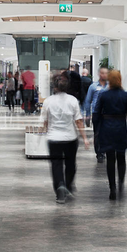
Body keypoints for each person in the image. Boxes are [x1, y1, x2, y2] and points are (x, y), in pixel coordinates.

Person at [93, 70, 127, 200]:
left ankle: (112, 187)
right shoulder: (125, 95)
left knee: (110, 159)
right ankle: (121, 183)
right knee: (121, 157)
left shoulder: (103, 95)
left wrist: (97, 129)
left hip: (107, 127)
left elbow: (96, 112)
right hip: (120, 127)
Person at [43, 75, 88, 204]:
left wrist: (47, 131)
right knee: (70, 163)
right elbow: (78, 122)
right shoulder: (73, 101)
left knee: (56, 165)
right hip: (70, 138)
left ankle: (59, 188)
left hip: (53, 138)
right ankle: (68, 185)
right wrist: (85, 138)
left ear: (54, 86)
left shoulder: (48, 101)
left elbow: (45, 122)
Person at [84, 67, 109, 163]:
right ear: (99, 74)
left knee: (106, 133)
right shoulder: (93, 86)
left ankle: (105, 150)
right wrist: (88, 115)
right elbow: (88, 101)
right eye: (102, 73)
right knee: (97, 133)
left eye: (106, 73)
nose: (104, 75)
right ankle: (99, 153)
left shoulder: (110, 86)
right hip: (96, 113)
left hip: (107, 114)